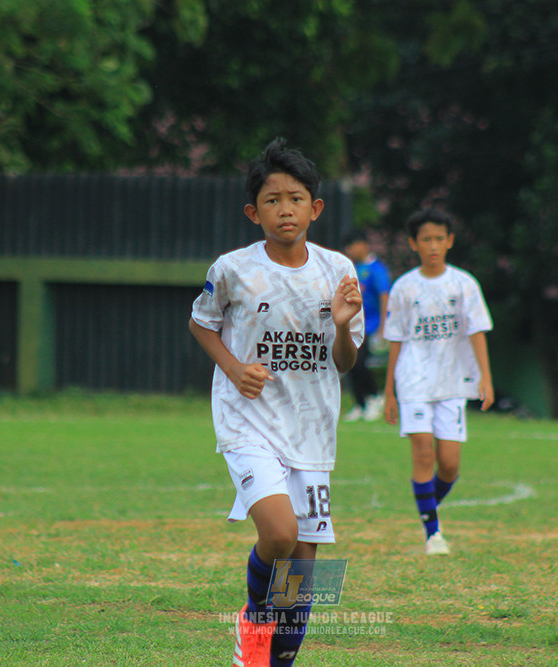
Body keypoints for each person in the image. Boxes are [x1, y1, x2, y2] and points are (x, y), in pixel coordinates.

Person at [188, 137, 364, 667]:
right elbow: (201, 323)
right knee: (280, 534)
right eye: (271, 199)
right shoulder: (232, 269)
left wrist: (340, 327)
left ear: (316, 207)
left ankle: (277, 661)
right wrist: (234, 367)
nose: (283, 209)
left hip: (312, 430)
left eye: (294, 198)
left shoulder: (338, 272)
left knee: (304, 571)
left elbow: (347, 361)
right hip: (248, 422)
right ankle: (251, 620)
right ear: (252, 211)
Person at [382, 208, 495, 556]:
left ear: (450, 241)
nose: (433, 245)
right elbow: (396, 339)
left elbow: (477, 332)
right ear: (414, 243)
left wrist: (486, 379)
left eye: (439, 238)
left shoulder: (464, 284)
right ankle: (433, 533)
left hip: (453, 382)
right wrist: (389, 392)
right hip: (413, 381)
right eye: (425, 239)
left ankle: (427, 507)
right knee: (423, 451)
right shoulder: (403, 287)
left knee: (449, 464)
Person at [342, 230, 392, 422]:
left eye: (352, 245)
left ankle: (373, 397)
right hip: (355, 324)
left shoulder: (376, 269)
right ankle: (359, 403)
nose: (350, 250)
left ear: (363, 245)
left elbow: (384, 295)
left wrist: (383, 327)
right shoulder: (350, 268)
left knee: (360, 362)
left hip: (371, 325)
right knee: (351, 364)